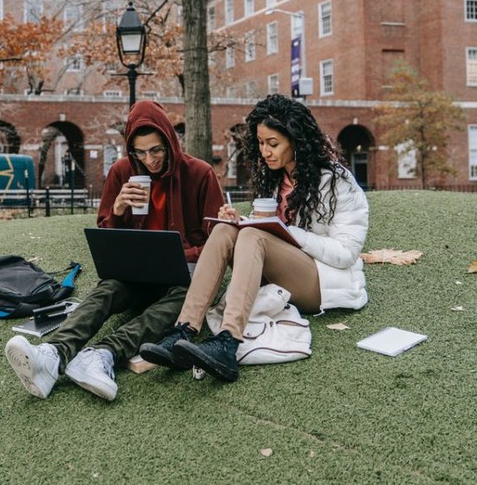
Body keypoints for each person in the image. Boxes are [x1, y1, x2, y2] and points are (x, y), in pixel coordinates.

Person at [4, 100, 224, 401]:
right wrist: (118, 209)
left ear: (171, 142)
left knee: (183, 299)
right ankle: (53, 354)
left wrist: (181, 254)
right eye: (140, 152)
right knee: (107, 288)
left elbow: (217, 242)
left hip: (182, 275)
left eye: (157, 150)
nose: (150, 159)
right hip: (136, 273)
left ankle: (103, 354)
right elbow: (107, 237)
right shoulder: (122, 172)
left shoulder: (200, 174)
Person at [140, 93, 368, 382]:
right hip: (279, 271)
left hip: (321, 280)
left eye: (273, 144)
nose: (265, 152)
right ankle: (183, 330)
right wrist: (241, 221)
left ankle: (228, 341)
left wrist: (284, 232)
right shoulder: (274, 179)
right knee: (225, 230)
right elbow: (270, 232)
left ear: (297, 141)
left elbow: (346, 252)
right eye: (261, 144)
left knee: (253, 237)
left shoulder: (336, 181)